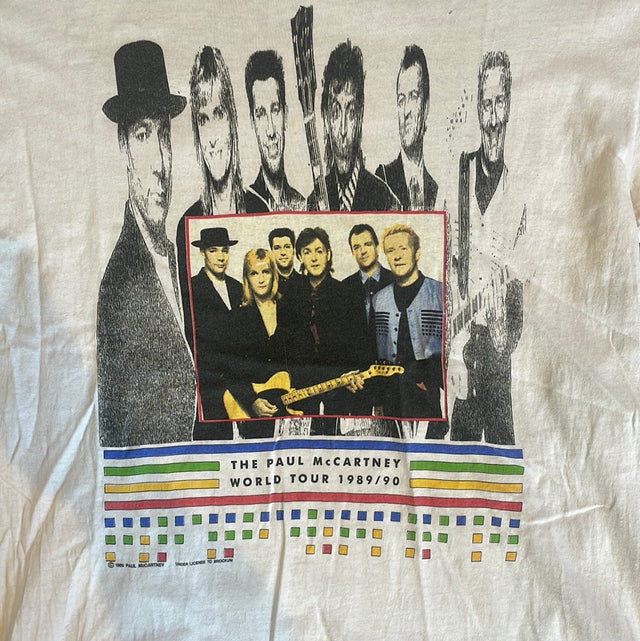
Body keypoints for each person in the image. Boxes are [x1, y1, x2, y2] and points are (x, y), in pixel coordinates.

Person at [97, 41, 196, 446]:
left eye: (164, 135)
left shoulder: (177, 256)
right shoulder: (119, 284)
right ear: (123, 147)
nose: (160, 162)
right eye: (142, 135)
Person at [449, 51, 524, 445]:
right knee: (456, 458)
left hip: (497, 358)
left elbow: (521, 289)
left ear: (508, 106)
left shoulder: (519, 192)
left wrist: (499, 328)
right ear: (478, 109)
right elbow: (449, 259)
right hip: (464, 345)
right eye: (486, 104)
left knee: (501, 454)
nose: (493, 118)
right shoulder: (460, 172)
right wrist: (456, 347)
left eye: (499, 103)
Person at [176, 46, 245, 352]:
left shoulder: (259, 206)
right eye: (203, 120)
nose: (213, 138)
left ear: (232, 120)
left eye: (218, 114)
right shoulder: (186, 225)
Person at [308, 41, 398, 212]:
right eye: (335, 112)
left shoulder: (385, 200)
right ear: (326, 117)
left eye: (350, 112)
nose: (343, 129)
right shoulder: (314, 203)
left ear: (360, 115)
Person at [224, 249, 304, 438]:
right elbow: (229, 368)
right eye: (254, 273)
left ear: (274, 275)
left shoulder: (290, 313)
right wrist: (251, 401)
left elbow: (304, 360)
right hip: (252, 415)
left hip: (289, 407)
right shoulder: (237, 318)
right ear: (247, 278)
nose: (260, 279)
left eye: (265, 272)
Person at [373, 224, 444, 431]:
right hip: (390, 397)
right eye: (390, 250)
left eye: (403, 248)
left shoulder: (440, 292)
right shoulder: (379, 299)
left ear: (417, 252)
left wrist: (427, 381)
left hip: (428, 396)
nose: (397, 256)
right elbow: (374, 350)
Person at [294, 227, 360, 434]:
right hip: (303, 386)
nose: (314, 258)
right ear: (300, 257)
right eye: (307, 252)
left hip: (338, 384)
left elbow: (357, 341)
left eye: (319, 251)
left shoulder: (345, 293)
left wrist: (350, 373)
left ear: (328, 254)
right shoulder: (292, 294)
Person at [341, 224, 398, 435]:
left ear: (376, 246)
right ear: (352, 252)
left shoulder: (397, 281)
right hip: (359, 384)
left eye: (367, 244)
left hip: (392, 382)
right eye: (356, 247)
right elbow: (341, 340)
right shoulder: (344, 288)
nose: (363, 251)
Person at [189, 227, 243, 439]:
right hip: (209, 382)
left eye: (225, 250)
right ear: (202, 253)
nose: (221, 257)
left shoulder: (238, 287)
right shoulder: (191, 287)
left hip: (239, 381)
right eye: (213, 250)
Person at [376, 45, 438, 211]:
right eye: (401, 100)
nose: (405, 111)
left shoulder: (435, 190)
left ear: (426, 107)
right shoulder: (382, 180)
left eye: (413, 97)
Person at [244, 50, 305, 212]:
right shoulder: (243, 206)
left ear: (286, 115)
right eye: (261, 114)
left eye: (275, 110)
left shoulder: (303, 205)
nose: (270, 130)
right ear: (252, 122)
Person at [268, 227, 303, 301]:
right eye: (277, 248)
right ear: (271, 252)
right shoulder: (267, 285)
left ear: (293, 250)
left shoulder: (305, 282)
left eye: (287, 247)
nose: (283, 253)